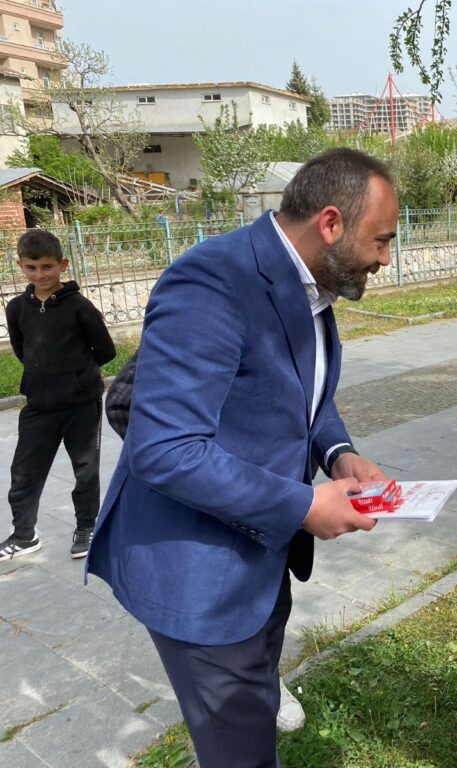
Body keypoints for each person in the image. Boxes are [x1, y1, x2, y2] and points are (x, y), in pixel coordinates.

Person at [87, 148, 399, 767]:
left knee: (252, 732)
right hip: (199, 576)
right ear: (331, 223)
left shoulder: (310, 281)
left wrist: (338, 454)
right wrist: (305, 503)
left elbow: (302, 393)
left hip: (259, 556)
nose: (386, 258)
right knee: (238, 756)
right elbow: (165, 450)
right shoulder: (213, 283)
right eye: (381, 239)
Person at [102, 348, 307, 734]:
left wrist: (336, 452)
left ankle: (267, 683)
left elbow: (310, 403)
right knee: (230, 727)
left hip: (271, 531)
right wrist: (212, 477)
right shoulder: (211, 297)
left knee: (271, 615)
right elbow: (123, 403)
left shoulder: (307, 308)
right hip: (208, 538)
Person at [0, 229, 115, 561]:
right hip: (38, 405)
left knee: (84, 470)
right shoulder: (17, 307)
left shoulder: (80, 307)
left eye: (47, 267)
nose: (40, 274)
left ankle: (86, 528)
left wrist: (76, 376)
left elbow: (105, 351)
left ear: (62, 265)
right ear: (20, 265)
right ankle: (24, 535)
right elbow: (22, 349)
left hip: (81, 403)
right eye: (32, 267)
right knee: (24, 472)